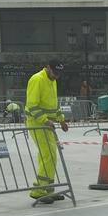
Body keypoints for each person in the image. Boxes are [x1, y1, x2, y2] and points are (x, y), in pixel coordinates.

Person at [26, 59, 69, 204]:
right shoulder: (37, 79)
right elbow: (32, 105)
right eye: (55, 73)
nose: (57, 76)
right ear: (47, 67)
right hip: (37, 123)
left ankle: (48, 189)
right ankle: (38, 190)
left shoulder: (52, 81)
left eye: (59, 74)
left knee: (49, 156)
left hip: (46, 124)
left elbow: (53, 105)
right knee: (48, 155)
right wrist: (45, 120)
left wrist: (61, 119)